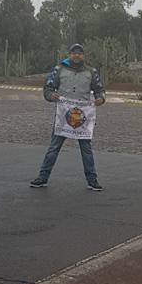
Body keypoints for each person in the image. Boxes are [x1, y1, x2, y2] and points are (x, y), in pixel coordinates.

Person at [30, 43, 105, 190]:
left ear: (83, 55)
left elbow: (99, 89)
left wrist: (100, 99)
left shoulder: (92, 72)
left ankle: (92, 180)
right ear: (69, 54)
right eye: (74, 52)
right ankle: (43, 177)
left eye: (80, 53)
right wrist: (51, 95)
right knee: (54, 147)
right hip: (63, 117)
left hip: (83, 118)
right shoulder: (59, 70)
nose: (76, 55)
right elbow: (48, 88)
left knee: (86, 149)